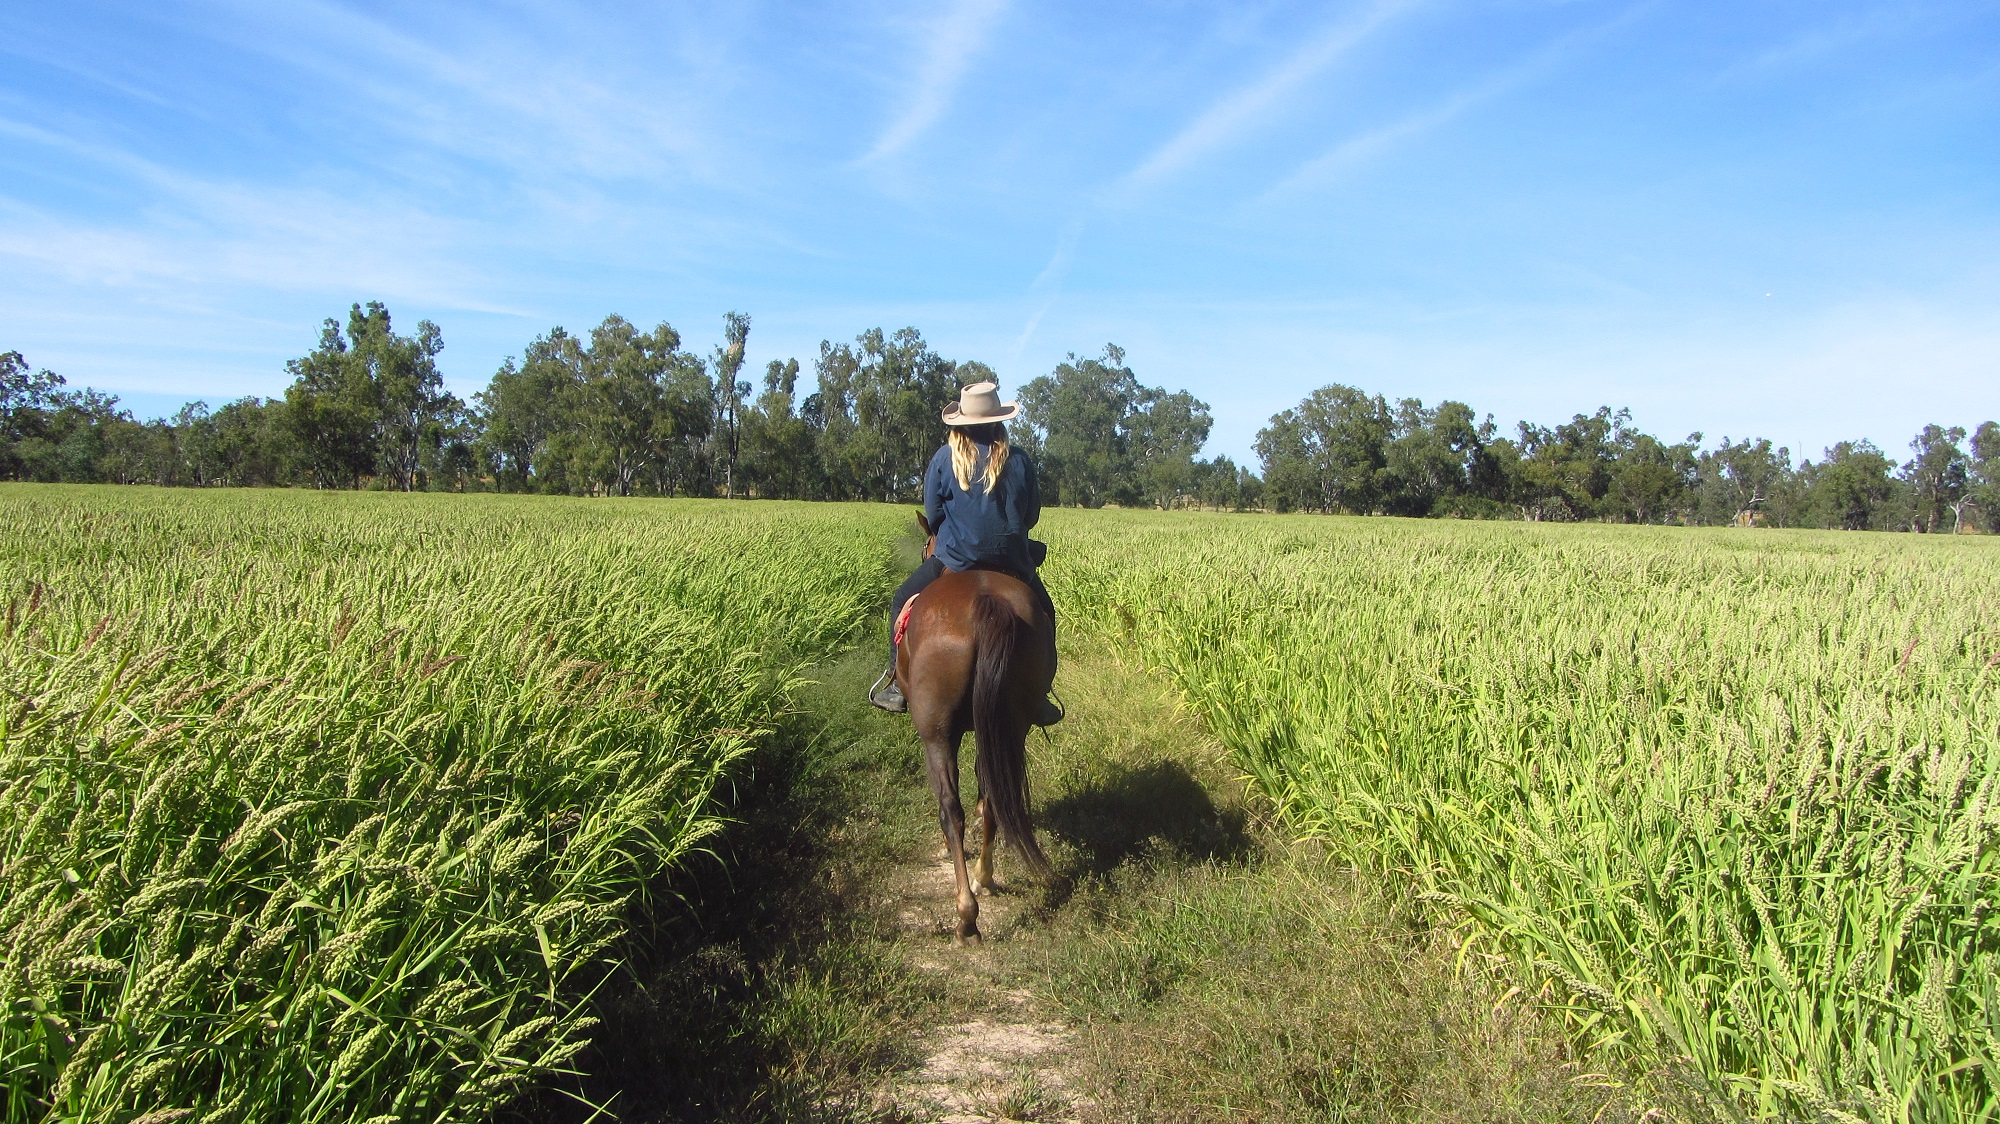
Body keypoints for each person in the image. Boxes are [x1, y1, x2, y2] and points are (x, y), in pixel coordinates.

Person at [869, 381, 1062, 725]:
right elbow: (1031, 516)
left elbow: (934, 514)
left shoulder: (945, 459)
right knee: (1045, 611)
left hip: (955, 558)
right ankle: (1041, 691)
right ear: (998, 419)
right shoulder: (1019, 460)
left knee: (901, 599)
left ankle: (896, 685)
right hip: (1013, 563)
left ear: (961, 422)